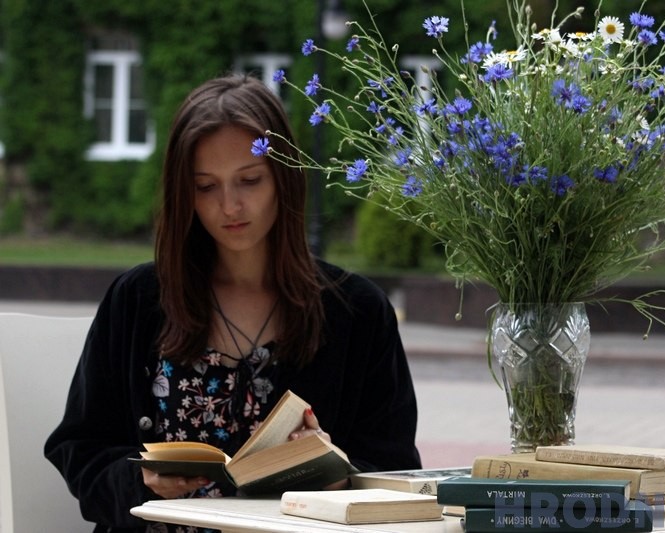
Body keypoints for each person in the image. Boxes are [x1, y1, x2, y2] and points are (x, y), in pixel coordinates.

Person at [44, 74, 422, 532]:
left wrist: (334, 470)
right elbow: (78, 447)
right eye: (206, 186)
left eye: (249, 180)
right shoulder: (139, 300)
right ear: (184, 194)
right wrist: (139, 480)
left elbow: (397, 470)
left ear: (284, 178)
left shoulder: (358, 311)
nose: (230, 206)